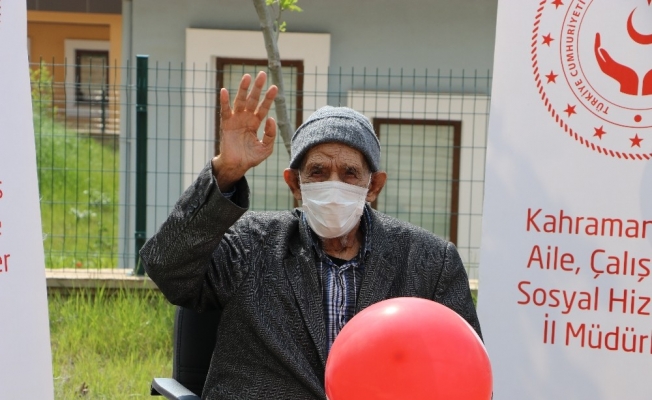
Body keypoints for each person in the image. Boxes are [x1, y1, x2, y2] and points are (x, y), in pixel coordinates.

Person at [141, 71, 481, 399]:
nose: (334, 185)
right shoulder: (250, 243)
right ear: (295, 184)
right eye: (318, 171)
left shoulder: (429, 262)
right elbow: (167, 268)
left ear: (373, 186)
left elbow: (462, 369)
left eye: (349, 173)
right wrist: (226, 170)